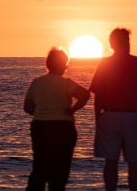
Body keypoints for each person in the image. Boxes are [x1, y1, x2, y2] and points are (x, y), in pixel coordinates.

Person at [90, 28, 137, 191]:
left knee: (111, 161)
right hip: (133, 115)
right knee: (134, 161)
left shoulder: (105, 64)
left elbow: (98, 95)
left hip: (111, 115)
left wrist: (98, 119)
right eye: (127, 41)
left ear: (111, 44)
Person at [24, 47, 90, 190]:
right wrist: (73, 109)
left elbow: (27, 106)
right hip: (63, 126)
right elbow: (85, 95)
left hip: (40, 126)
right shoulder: (66, 83)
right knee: (60, 169)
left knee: (40, 167)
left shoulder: (37, 83)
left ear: (48, 64)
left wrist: (40, 110)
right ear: (63, 65)